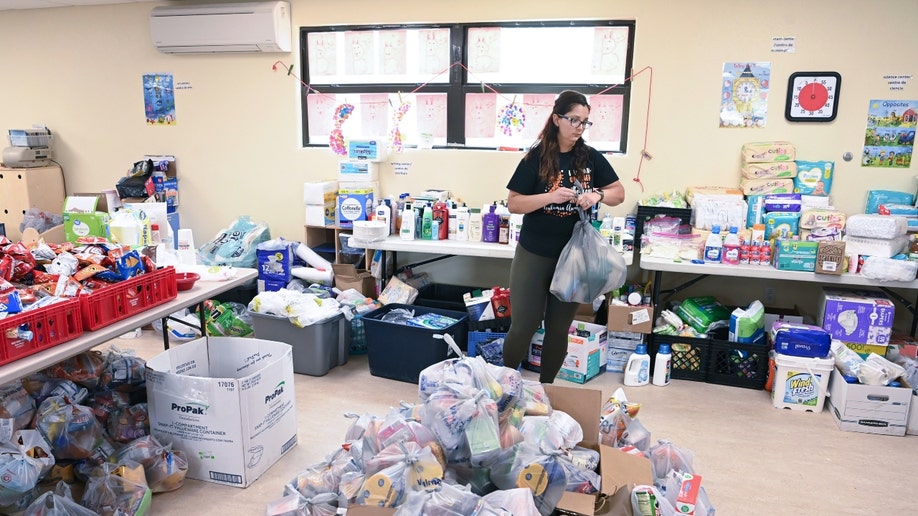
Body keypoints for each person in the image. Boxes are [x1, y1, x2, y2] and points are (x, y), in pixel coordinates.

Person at [502, 90, 625, 383]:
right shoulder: (536, 158)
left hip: (574, 259)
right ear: (557, 119)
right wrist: (550, 197)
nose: (579, 127)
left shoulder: (591, 158)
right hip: (534, 253)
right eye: (573, 120)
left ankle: (545, 391)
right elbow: (514, 203)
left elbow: (619, 193)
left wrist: (597, 195)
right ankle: (505, 385)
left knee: (559, 328)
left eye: (585, 122)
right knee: (524, 325)